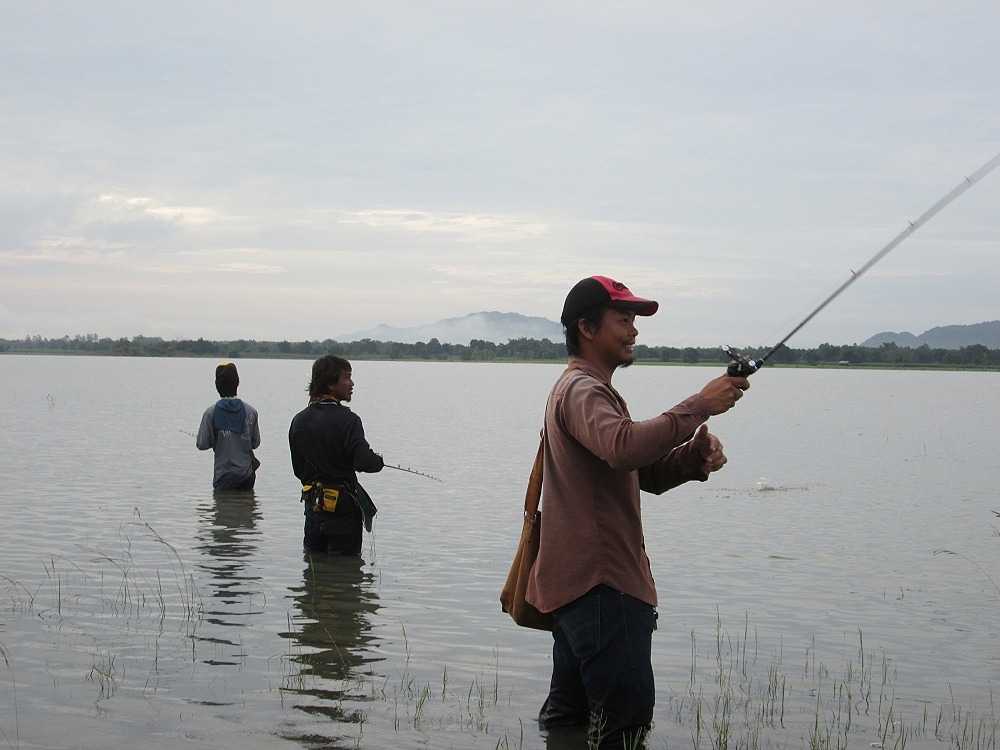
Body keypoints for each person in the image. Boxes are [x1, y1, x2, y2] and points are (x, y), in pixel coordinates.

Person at [525, 275, 750, 748]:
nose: (634, 331)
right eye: (623, 320)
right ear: (587, 327)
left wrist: (691, 458)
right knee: (625, 725)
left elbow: (633, 472)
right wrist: (700, 406)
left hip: (574, 591)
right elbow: (623, 447)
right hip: (602, 589)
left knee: (568, 720)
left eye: (634, 321)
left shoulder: (581, 390)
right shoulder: (583, 390)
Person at [289, 355, 384, 556]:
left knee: (315, 576)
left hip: (313, 511)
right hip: (344, 515)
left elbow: (298, 470)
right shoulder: (349, 420)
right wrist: (378, 461)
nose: (352, 383)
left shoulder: (298, 421)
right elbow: (364, 461)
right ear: (331, 384)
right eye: (347, 378)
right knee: (346, 576)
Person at [196, 361, 261, 491]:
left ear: (216, 385)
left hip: (224, 477)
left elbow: (202, 444)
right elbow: (255, 443)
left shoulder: (210, 413)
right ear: (238, 382)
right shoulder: (251, 412)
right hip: (247, 475)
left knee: (223, 509)